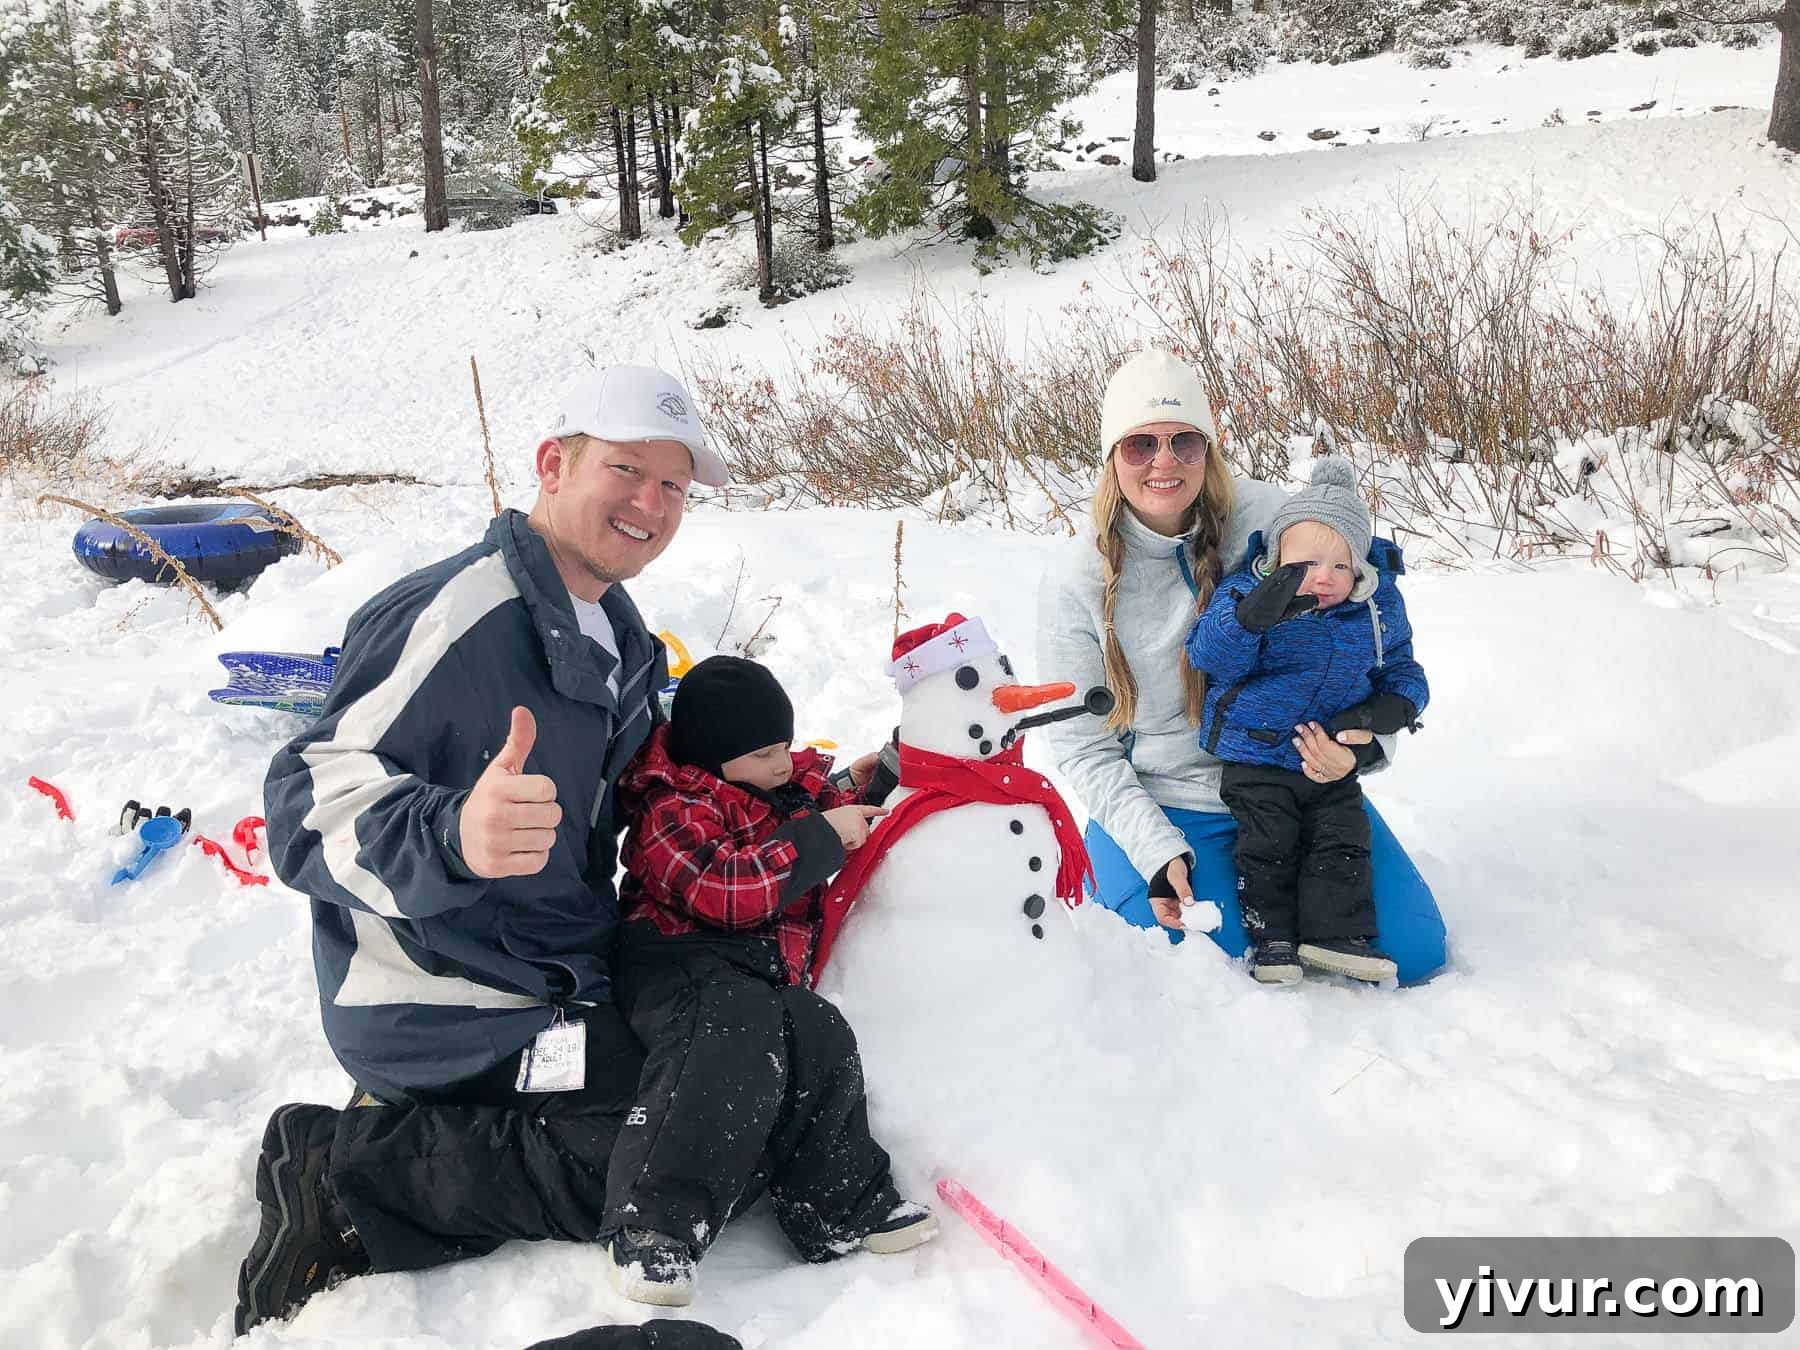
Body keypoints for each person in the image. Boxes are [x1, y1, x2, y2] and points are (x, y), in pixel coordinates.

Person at [232, 366, 879, 1335]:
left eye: (673, 487)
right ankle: (346, 1179)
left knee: (752, 1075)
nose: (650, 505)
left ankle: (424, 1138)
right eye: (625, 470)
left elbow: (668, 787)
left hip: (553, 972)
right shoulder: (456, 617)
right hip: (443, 997)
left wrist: (812, 788)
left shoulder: (620, 639)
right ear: (552, 465)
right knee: (673, 1155)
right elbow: (300, 803)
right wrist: (455, 834)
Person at [1035, 347, 1447, 983]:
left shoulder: (1276, 521)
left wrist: (1362, 750)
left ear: (1211, 447)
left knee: (1412, 952)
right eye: (1140, 444)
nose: (1163, 462)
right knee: (1216, 960)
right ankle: (1121, 863)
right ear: (1112, 456)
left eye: (1184, 443)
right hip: (1169, 798)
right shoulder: (1076, 579)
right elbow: (1083, 748)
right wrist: (1152, 848)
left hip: (1299, 780)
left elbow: (1367, 628)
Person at [601, 655, 936, 1306]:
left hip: (754, 972)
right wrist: (817, 842)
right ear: (713, 757)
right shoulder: (672, 808)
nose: (782, 764)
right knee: (727, 1029)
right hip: (676, 959)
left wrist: (877, 781)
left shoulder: (780, 785)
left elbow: (831, 815)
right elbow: (727, 891)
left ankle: (836, 1205)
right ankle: (654, 1227)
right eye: (763, 754)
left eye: (784, 745)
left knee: (819, 1030)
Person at [1184, 456, 1429, 985]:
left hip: (1331, 762)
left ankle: (1334, 937)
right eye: (1308, 565)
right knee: (1268, 845)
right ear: (1276, 560)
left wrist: (1389, 710)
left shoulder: (1374, 609)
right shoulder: (1247, 594)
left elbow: (1404, 668)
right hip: (1257, 756)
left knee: (1342, 840)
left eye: (1342, 566)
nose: (1325, 578)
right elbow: (1209, 656)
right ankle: (1271, 939)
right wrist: (1250, 619)